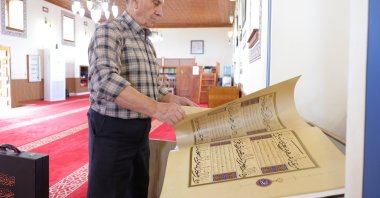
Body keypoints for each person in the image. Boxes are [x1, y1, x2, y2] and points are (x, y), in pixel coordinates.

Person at [86, 0, 197, 197]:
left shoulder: (146, 43)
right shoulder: (109, 31)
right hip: (112, 132)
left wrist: (174, 100)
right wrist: (157, 109)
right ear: (136, 2)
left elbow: (154, 89)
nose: (161, 12)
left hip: (140, 134)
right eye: (156, 4)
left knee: (138, 190)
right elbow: (104, 81)